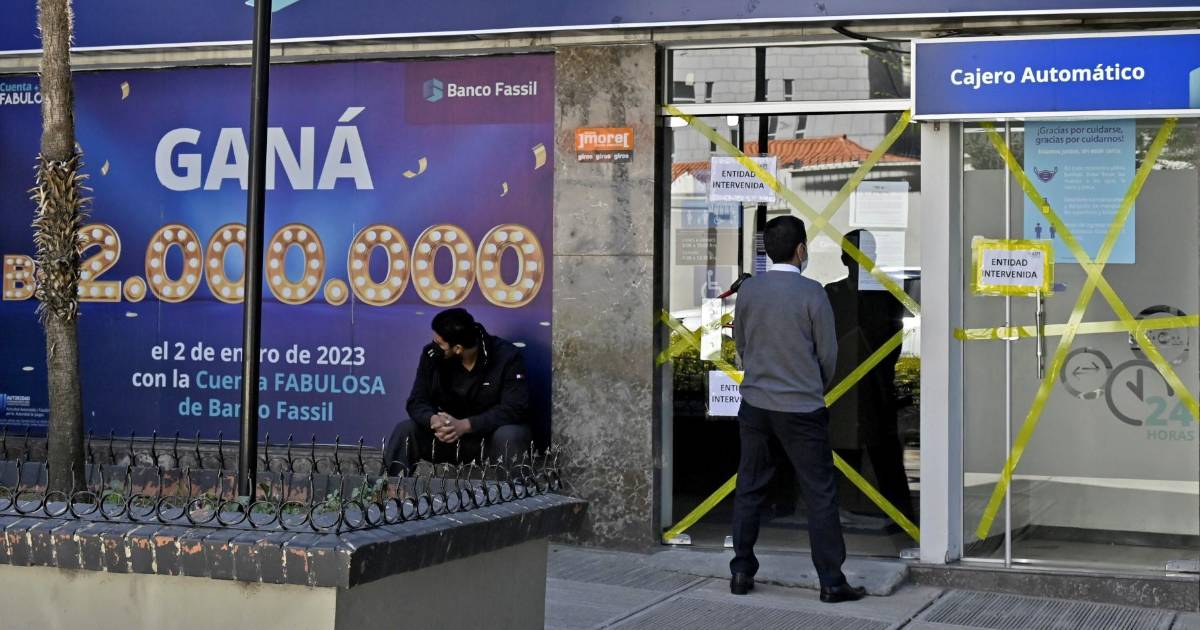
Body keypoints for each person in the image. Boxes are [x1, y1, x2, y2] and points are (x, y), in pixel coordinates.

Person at [729, 215, 865, 603]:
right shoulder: (813, 293)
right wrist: (813, 385)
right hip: (802, 408)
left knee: (749, 487)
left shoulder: (750, 291)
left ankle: (741, 571)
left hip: (756, 405)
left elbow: (740, 342)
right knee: (820, 494)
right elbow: (828, 353)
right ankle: (831, 582)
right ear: (801, 250)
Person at [824, 230, 915, 522]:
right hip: (840, 390)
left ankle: (901, 517)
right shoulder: (832, 294)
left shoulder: (887, 295)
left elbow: (893, 342)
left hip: (875, 388)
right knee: (842, 453)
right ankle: (840, 511)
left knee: (885, 455)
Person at [383, 308, 532, 475]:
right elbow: (416, 401)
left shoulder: (507, 356)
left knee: (511, 434)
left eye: (440, 344)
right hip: (446, 437)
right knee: (406, 429)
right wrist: (433, 420)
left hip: (488, 437)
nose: (434, 346)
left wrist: (466, 425)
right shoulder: (432, 355)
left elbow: (515, 408)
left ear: (458, 349)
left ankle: (515, 490)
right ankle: (391, 487)